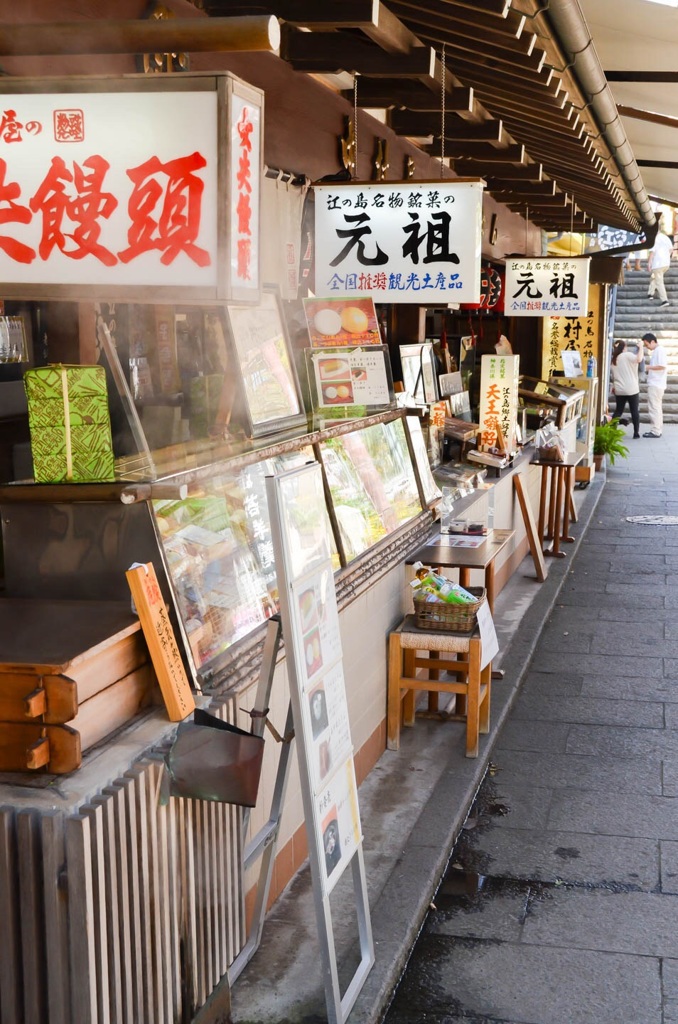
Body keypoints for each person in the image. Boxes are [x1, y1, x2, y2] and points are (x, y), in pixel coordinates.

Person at [610, 339, 643, 438]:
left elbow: (614, 376)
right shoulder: (627, 355)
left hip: (619, 389)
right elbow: (639, 359)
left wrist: (614, 386)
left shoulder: (614, 360)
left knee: (618, 410)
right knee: (634, 411)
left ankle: (612, 431)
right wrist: (641, 347)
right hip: (632, 389)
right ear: (624, 347)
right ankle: (636, 433)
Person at [641, 332, 668, 437]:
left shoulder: (659, 351)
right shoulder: (658, 351)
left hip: (656, 384)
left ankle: (655, 430)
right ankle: (657, 429)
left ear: (653, 341)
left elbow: (662, 366)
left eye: (647, 344)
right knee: (656, 407)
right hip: (657, 383)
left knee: (654, 407)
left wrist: (648, 367)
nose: (647, 347)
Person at [647, 228, 673, 306]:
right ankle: (650, 293)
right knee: (654, 277)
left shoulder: (655, 238)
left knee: (659, 282)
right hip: (666, 264)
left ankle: (664, 300)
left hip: (658, 263)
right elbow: (671, 249)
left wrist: (649, 263)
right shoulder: (665, 237)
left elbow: (652, 252)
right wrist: (666, 257)